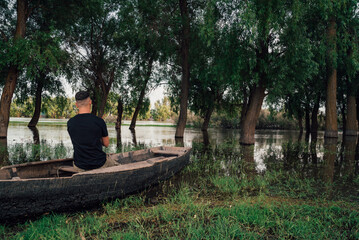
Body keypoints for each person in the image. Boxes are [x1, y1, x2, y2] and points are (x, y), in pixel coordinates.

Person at [67, 91, 118, 171]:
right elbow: (106, 144)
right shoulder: (99, 121)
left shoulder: (70, 123)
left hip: (79, 165)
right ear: (90, 102)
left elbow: (78, 140)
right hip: (99, 164)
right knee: (118, 166)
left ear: (76, 105)